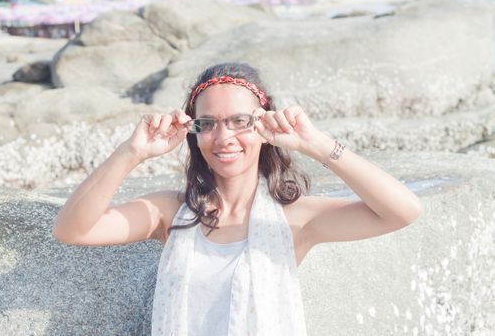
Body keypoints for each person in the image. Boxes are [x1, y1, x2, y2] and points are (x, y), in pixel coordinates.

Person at [52, 62, 423, 335]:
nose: (223, 137)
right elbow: (72, 230)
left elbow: (403, 211)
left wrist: (320, 145)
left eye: (240, 122)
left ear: (264, 126)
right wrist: (131, 152)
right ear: (194, 133)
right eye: (208, 123)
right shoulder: (171, 213)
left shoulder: (294, 220)